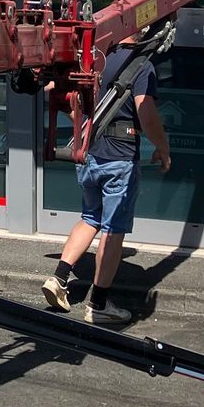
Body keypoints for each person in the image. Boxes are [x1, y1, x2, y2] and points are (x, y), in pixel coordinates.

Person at [41, 35, 172, 327]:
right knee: (113, 230)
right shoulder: (142, 66)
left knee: (90, 217)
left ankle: (59, 277)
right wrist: (163, 149)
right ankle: (99, 303)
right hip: (119, 158)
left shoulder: (95, 61)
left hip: (89, 153)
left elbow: (60, 94)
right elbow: (146, 113)